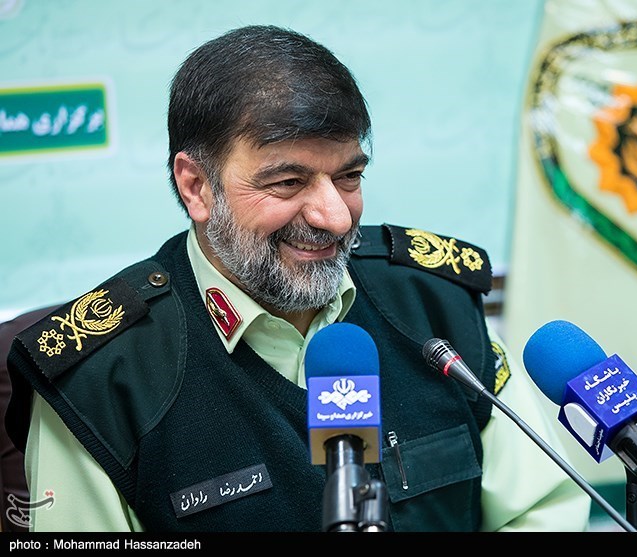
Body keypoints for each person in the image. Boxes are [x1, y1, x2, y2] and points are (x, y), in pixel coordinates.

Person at [5, 24, 591, 532]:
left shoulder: (433, 303)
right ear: (196, 186)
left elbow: (541, 511)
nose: (335, 217)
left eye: (350, 177)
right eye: (288, 183)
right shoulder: (100, 379)